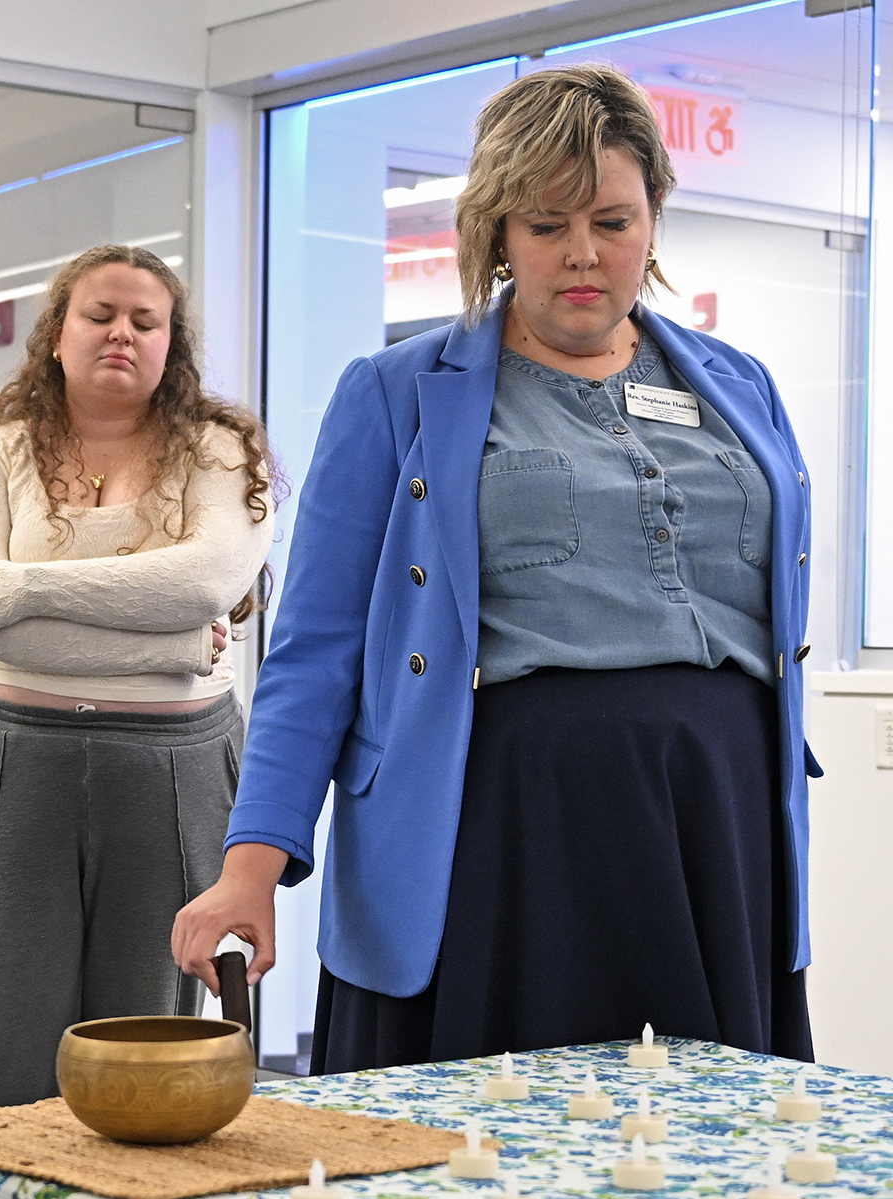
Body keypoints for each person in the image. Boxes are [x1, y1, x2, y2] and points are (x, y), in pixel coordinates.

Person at [172, 63, 814, 1068]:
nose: (583, 255)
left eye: (612, 220)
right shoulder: (397, 392)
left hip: (715, 819)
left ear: (654, 220)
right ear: (498, 233)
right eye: (546, 224)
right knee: (493, 1148)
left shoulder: (741, 384)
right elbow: (318, 648)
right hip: (504, 826)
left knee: (702, 1147)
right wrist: (251, 866)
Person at [0, 244, 276, 1112]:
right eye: (100, 315)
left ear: (171, 344)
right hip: (19, 762)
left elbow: (204, 584)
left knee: (151, 1052)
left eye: (145, 322)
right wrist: (176, 644)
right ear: (56, 335)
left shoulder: (221, 455)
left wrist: (18, 588)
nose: (122, 333)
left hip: (176, 766)